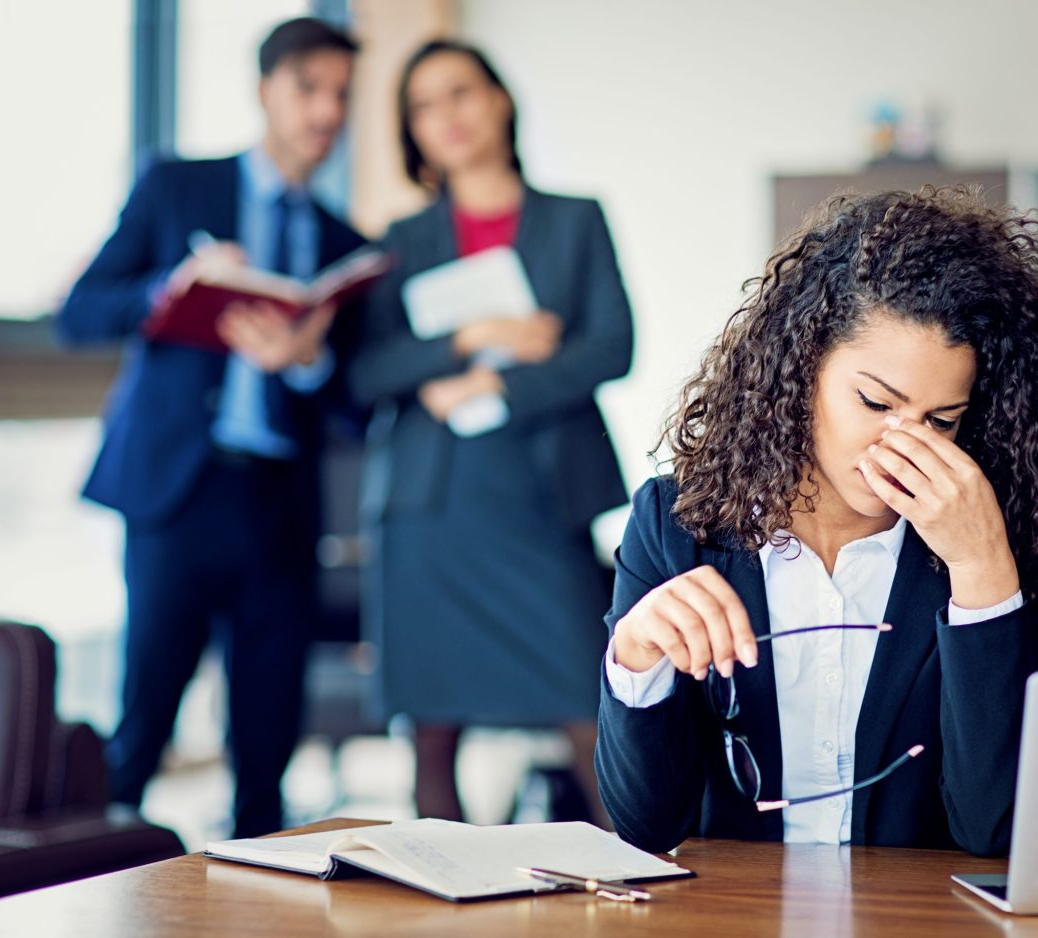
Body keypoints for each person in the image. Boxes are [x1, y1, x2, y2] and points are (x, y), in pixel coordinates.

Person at [596, 187, 1038, 856]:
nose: (903, 446)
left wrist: (981, 575)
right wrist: (636, 658)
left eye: (941, 422)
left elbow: (996, 830)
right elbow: (645, 827)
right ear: (800, 368)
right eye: (876, 402)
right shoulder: (676, 523)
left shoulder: (993, 535)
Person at [55, 18, 365, 838]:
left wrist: (306, 361)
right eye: (309, 88)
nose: (326, 111)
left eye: (341, 94)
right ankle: (92, 884)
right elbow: (79, 311)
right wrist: (173, 288)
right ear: (265, 89)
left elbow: (360, 405)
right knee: (144, 721)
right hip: (177, 495)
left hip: (278, 506)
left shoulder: (344, 246)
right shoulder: (177, 188)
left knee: (266, 744)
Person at [348, 40, 631, 826]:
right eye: (425, 106)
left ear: (500, 99)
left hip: (541, 496)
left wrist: (499, 385)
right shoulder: (398, 240)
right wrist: (469, 340)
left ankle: (634, 891)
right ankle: (442, 903)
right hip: (430, 507)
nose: (448, 117)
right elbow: (367, 371)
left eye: (461, 93)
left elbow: (613, 345)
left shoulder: (575, 221)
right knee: (432, 733)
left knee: (589, 705)